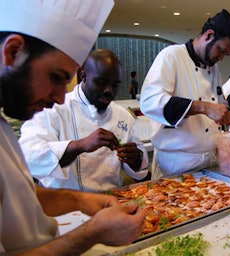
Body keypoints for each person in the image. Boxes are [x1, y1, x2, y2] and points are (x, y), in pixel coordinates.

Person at [0, 0, 145, 256]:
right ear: (12, 51)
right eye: (56, 77)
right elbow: (31, 159)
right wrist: (90, 233)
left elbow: (19, 193)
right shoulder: (51, 111)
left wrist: (81, 200)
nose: (58, 97)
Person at [19, 49, 149, 192]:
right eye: (101, 82)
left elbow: (141, 167)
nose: (109, 91)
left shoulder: (122, 116)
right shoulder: (53, 109)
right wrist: (80, 145)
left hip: (110, 201)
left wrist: (135, 157)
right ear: (83, 76)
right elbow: (28, 157)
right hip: (65, 205)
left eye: (115, 85)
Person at [140, 9, 230, 179]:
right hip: (177, 164)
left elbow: (217, 109)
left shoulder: (213, 67)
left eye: (225, 54)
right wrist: (204, 107)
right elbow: (149, 102)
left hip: (210, 161)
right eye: (221, 50)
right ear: (209, 35)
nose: (221, 58)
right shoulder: (172, 55)